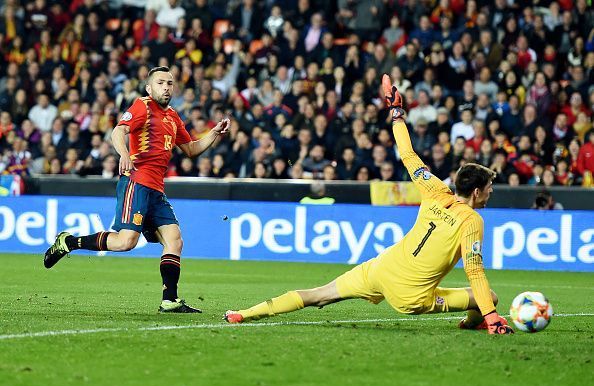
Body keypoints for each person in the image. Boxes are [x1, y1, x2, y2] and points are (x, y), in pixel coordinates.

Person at [224, 75, 514, 335]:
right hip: (410, 295)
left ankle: (244, 313)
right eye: (490, 188)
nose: (491, 192)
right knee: (490, 296)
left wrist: (397, 113)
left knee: (318, 294)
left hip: (380, 268)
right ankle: (476, 322)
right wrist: (492, 317)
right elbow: (474, 271)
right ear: (476, 192)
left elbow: (408, 155)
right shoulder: (472, 220)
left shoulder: (436, 190)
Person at [43, 66, 230, 313]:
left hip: (156, 190)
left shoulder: (173, 116)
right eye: (161, 83)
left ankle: (170, 300)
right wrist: (124, 154)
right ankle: (69, 242)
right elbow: (118, 131)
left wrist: (213, 133)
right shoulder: (142, 106)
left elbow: (192, 149)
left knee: (175, 240)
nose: (166, 87)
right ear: (149, 87)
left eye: (170, 83)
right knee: (125, 242)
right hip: (137, 183)